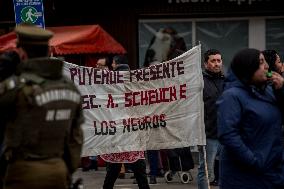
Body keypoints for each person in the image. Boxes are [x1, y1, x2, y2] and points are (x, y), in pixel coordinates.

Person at [0, 24, 84, 189]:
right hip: (59, 172)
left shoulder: (16, 88)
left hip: (22, 173)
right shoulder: (69, 88)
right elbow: (76, 139)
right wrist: (65, 170)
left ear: (22, 53)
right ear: (48, 52)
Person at [217, 48, 284, 189]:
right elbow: (228, 135)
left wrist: (281, 92)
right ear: (247, 68)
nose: (266, 66)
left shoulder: (269, 91)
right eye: (260, 63)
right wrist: (254, 161)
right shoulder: (232, 96)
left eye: (265, 62)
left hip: (272, 173)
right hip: (244, 177)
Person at [102, 54, 150, 189]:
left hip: (132, 138)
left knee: (138, 173)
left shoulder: (137, 91)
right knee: (114, 172)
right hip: (119, 138)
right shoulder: (111, 93)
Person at [197, 49, 224, 188]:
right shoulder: (199, 82)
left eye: (219, 60)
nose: (216, 64)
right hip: (208, 135)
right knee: (206, 172)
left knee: (226, 171)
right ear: (206, 63)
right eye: (213, 61)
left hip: (226, 134)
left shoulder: (225, 81)